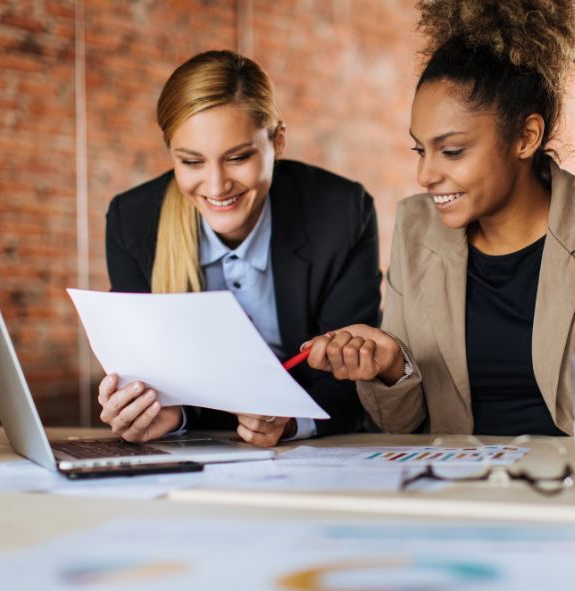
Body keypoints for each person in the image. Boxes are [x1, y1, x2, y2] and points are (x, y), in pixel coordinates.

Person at [304, 0, 575, 436]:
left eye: (452, 151)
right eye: (420, 150)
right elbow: (398, 425)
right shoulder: (416, 226)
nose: (425, 175)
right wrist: (392, 367)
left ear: (526, 137)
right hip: (461, 491)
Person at [97, 50, 381, 447]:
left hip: (312, 450)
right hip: (200, 451)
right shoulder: (132, 221)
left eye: (238, 157)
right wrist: (157, 412)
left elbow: (352, 377)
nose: (215, 187)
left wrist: (291, 423)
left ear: (278, 141)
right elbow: (151, 377)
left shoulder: (341, 213)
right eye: (192, 162)